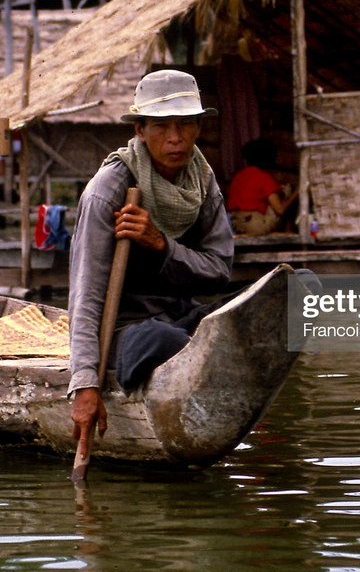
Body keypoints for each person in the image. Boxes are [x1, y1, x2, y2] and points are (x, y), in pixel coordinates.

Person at [68, 69, 233, 445]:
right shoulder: (107, 190)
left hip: (181, 318)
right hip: (128, 333)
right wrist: (85, 384)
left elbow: (220, 271)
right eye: (161, 126)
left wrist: (162, 245)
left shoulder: (201, 180)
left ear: (198, 128)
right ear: (140, 131)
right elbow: (86, 295)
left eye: (185, 125)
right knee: (162, 340)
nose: (175, 138)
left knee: (289, 287)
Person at [227, 137, 298, 236]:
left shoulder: (238, 177)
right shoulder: (264, 177)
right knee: (287, 192)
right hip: (256, 225)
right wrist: (296, 193)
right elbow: (280, 210)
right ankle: (286, 231)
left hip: (236, 225)